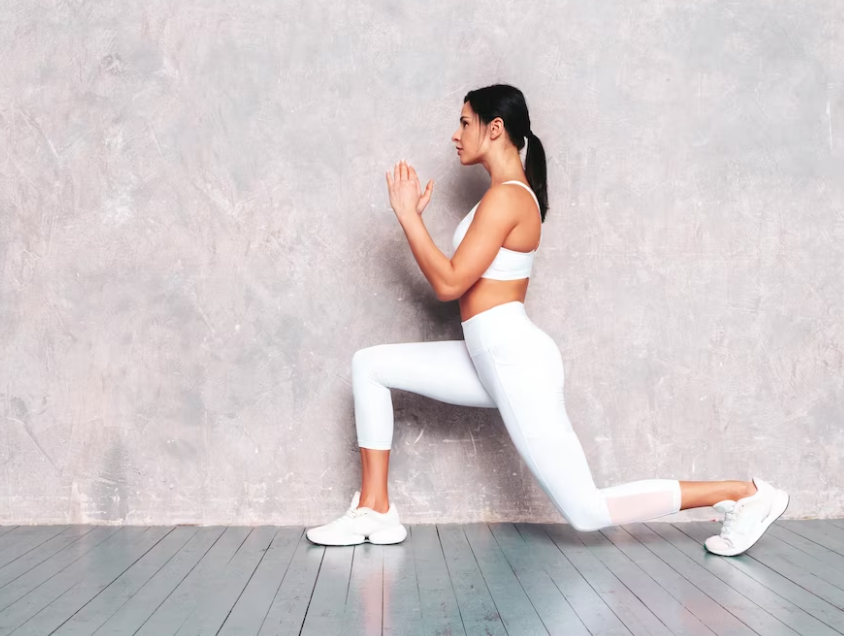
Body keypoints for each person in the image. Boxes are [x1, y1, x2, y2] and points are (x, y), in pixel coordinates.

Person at [306, 84, 788, 557]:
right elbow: (461, 282)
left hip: (513, 359)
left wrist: (409, 218)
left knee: (585, 511)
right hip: (487, 355)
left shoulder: (509, 198)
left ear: (494, 128)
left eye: (464, 121)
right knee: (369, 364)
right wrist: (411, 219)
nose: (455, 134)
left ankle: (745, 495)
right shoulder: (498, 197)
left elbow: (450, 284)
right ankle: (375, 509)